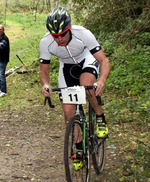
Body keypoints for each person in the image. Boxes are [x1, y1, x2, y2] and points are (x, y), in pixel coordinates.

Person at [39, 7, 110, 170]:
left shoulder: (83, 34)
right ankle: (79, 149)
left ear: (69, 28)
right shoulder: (46, 42)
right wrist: (46, 84)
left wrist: (101, 81)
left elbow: (104, 61)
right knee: (69, 115)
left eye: (62, 34)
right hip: (67, 68)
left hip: (86, 60)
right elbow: (44, 71)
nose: (59, 39)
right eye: (55, 36)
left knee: (87, 86)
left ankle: (99, 117)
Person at [0, 25, 10, 97]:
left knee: (1, 75)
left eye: (1, 29)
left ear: (3, 30)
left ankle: (3, 91)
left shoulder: (5, 39)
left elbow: (1, 47)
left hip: (3, 60)